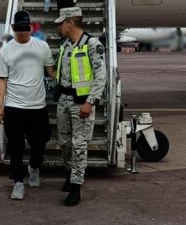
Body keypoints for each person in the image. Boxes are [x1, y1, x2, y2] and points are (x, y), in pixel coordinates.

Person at [0, 10, 55, 200]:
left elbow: (50, 71)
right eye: (18, 29)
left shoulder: (42, 47)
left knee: (42, 139)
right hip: (14, 106)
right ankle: (18, 182)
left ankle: (34, 166)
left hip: (37, 105)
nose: (22, 32)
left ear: (30, 27)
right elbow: (1, 80)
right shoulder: (6, 50)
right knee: (16, 146)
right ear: (13, 29)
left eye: (25, 28)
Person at [54, 7, 107, 206]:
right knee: (65, 142)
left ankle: (76, 186)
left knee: (79, 145)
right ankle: (69, 173)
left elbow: (100, 76)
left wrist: (90, 102)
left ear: (70, 23)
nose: (58, 26)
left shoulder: (92, 44)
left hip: (81, 103)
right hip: (64, 101)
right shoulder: (66, 45)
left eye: (61, 23)